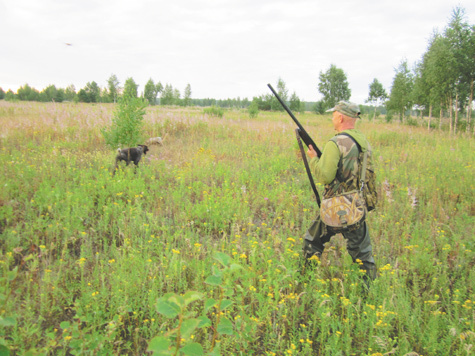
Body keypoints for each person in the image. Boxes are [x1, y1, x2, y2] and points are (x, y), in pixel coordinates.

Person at [302, 101, 377, 282]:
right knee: (363, 253)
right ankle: (369, 292)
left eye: (334, 114)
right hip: (357, 205)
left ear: (341, 117)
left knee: (312, 241)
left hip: (336, 205)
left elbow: (325, 176)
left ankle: (305, 280)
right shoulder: (364, 143)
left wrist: (313, 159)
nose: (332, 117)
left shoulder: (335, 142)